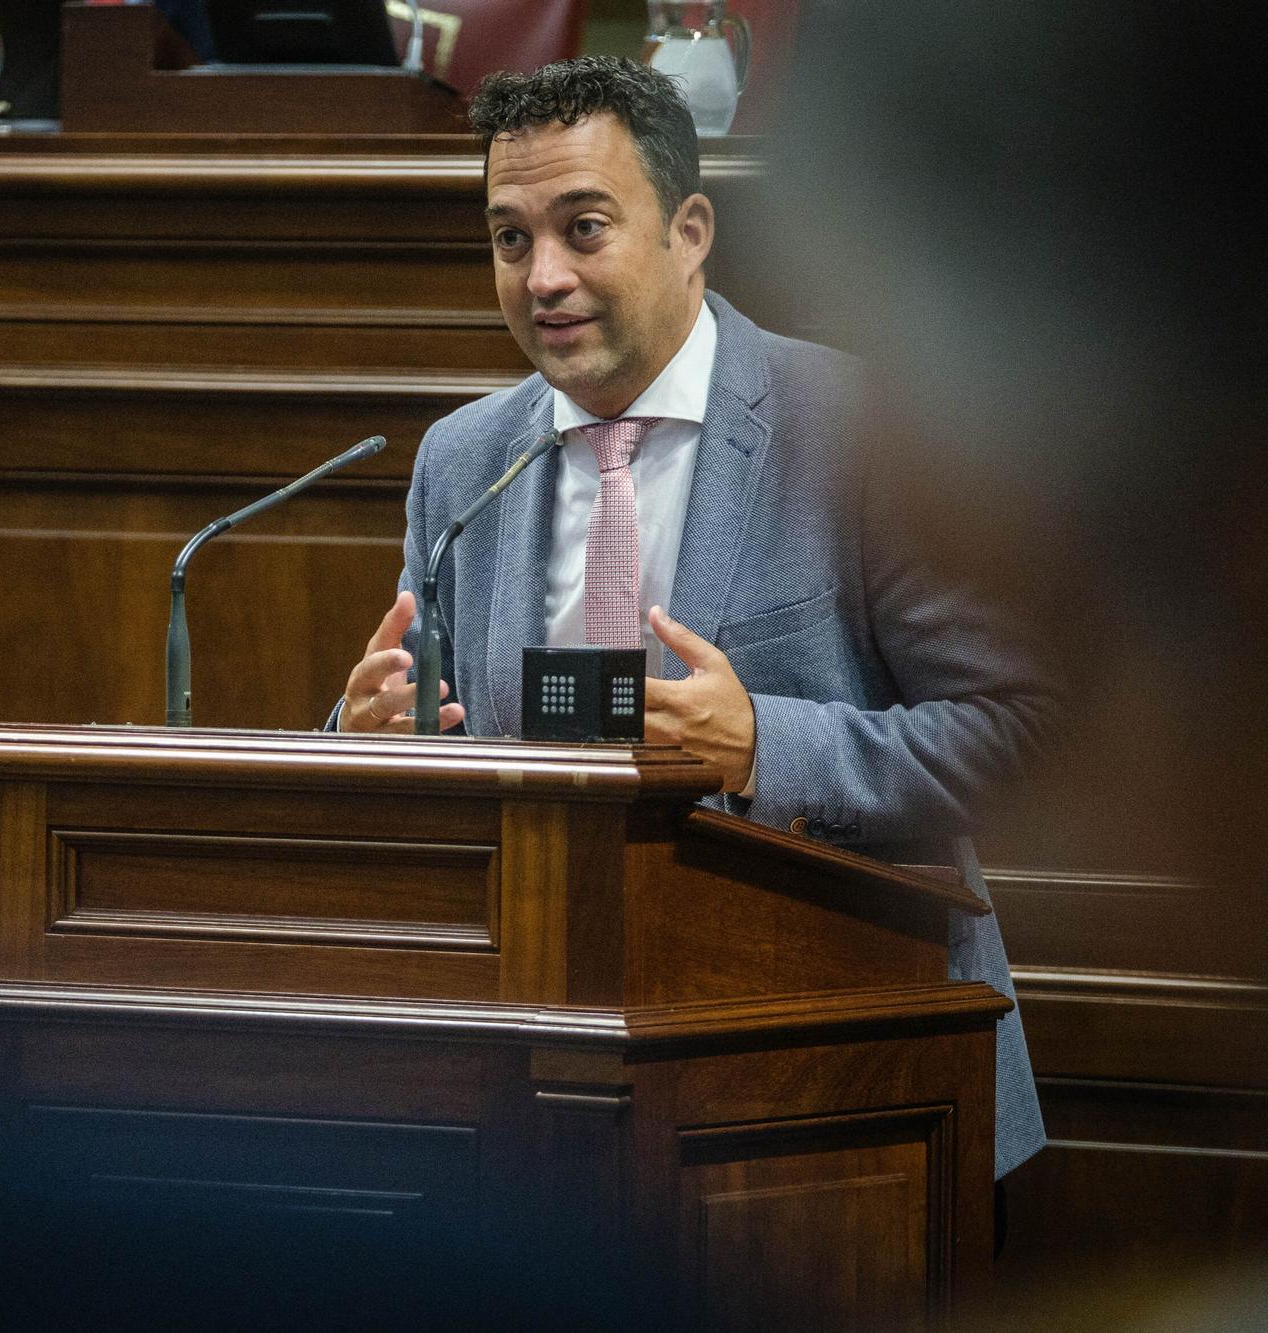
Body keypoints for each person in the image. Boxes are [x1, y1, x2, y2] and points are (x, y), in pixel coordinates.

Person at [330, 56, 1054, 1181]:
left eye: (582, 227)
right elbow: (446, 748)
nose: (542, 278)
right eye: (509, 239)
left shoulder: (863, 428)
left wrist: (766, 746)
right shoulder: (461, 461)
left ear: (690, 230)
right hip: (549, 1095)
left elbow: (1024, 733)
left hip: (855, 1094)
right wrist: (366, 747)